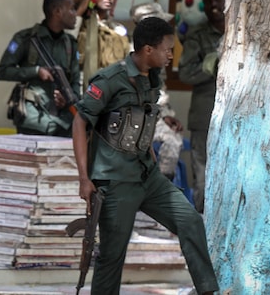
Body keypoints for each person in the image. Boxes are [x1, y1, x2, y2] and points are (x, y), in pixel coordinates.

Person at [72, 17, 219, 294]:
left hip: (147, 175)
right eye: (167, 49)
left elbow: (145, 120)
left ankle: (208, 290)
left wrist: (148, 149)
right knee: (112, 257)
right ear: (148, 50)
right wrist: (84, 178)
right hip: (115, 181)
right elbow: (80, 121)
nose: (171, 55)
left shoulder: (152, 79)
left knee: (190, 220)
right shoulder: (110, 79)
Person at [0, 0, 80, 137]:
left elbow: (75, 80)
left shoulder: (71, 44)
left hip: (65, 122)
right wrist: (35, 71)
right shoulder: (24, 38)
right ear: (57, 12)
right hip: (35, 120)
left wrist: (69, 99)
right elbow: (3, 71)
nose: (75, 14)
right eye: (72, 9)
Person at [178, 0, 226, 213]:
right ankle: (202, 236)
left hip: (237, 117)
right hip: (205, 117)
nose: (214, 4)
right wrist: (210, 65)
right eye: (208, 1)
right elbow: (185, 73)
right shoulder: (197, 35)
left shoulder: (242, 29)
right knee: (203, 180)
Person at [130, 2, 184, 180]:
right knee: (169, 141)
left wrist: (166, 114)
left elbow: (159, 89)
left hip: (152, 113)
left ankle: (160, 187)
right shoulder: (139, 54)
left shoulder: (157, 53)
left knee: (173, 139)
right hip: (133, 115)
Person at [74, 0, 130, 92]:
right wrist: (82, 9)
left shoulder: (118, 30)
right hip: (85, 90)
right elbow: (69, 38)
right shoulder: (82, 25)